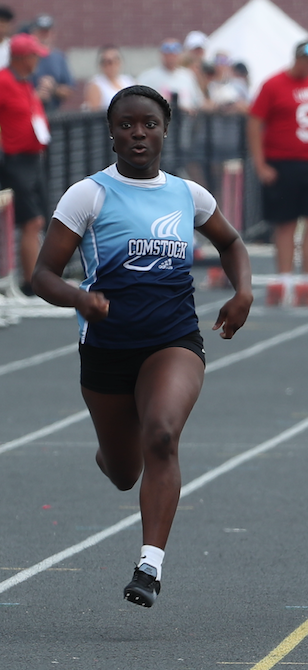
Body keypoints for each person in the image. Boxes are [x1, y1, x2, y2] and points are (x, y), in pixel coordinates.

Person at [30, 85, 253, 608]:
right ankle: (111, 455)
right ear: (111, 132)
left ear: (164, 130)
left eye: (148, 124)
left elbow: (232, 242)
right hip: (106, 348)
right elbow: (41, 275)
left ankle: (149, 565)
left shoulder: (187, 194)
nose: (137, 133)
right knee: (126, 471)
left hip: (172, 340)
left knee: (161, 435)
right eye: (127, 124)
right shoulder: (88, 195)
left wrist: (243, 291)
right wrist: (79, 300)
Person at [248, 39, 308, 307]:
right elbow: (254, 123)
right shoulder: (273, 84)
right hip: (281, 163)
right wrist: (260, 164)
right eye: (307, 60)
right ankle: (285, 281)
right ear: (297, 58)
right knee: (285, 224)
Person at [0, 33, 50, 296]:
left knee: (39, 220)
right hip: (15, 160)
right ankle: (31, 283)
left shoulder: (25, 81)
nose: (37, 60)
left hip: (33, 159)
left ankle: (35, 279)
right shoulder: (3, 81)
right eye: (33, 55)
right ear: (21, 57)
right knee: (31, 221)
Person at [30, 14, 74, 114]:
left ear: (52, 34)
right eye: (41, 32)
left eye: (47, 32)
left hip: (54, 112)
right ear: (34, 33)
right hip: (30, 112)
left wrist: (53, 88)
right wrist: (35, 95)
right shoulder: (27, 58)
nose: (44, 35)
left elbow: (69, 91)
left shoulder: (59, 57)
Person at [83, 45, 136, 112]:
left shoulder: (128, 81)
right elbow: (94, 113)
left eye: (115, 60)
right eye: (108, 62)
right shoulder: (96, 84)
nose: (112, 65)